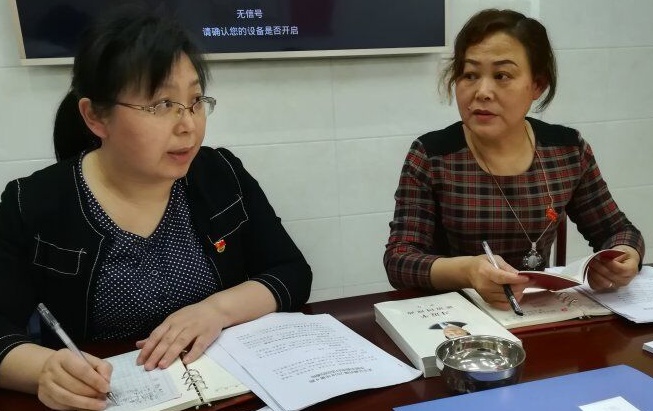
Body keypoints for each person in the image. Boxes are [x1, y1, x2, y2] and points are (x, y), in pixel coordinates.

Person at [0, 7, 312, 411]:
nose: (188, 126)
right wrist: (44, 370)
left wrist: (216, 310)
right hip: (108, 398)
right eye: (162, 104)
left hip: (224, 392)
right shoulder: (32, 203)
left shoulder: (220, 175)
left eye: (195, 101)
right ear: (95, 116)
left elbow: (290, 272)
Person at [384, 9, 644, 312]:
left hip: (537, 311)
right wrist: (468, 271)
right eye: (470, 75)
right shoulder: (432, 155)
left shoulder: (567, 150)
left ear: (537, 85)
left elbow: (618, 231)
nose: (482, 92)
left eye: (502, 76)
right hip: (457, 318)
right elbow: (400, 260)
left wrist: (624, 257)